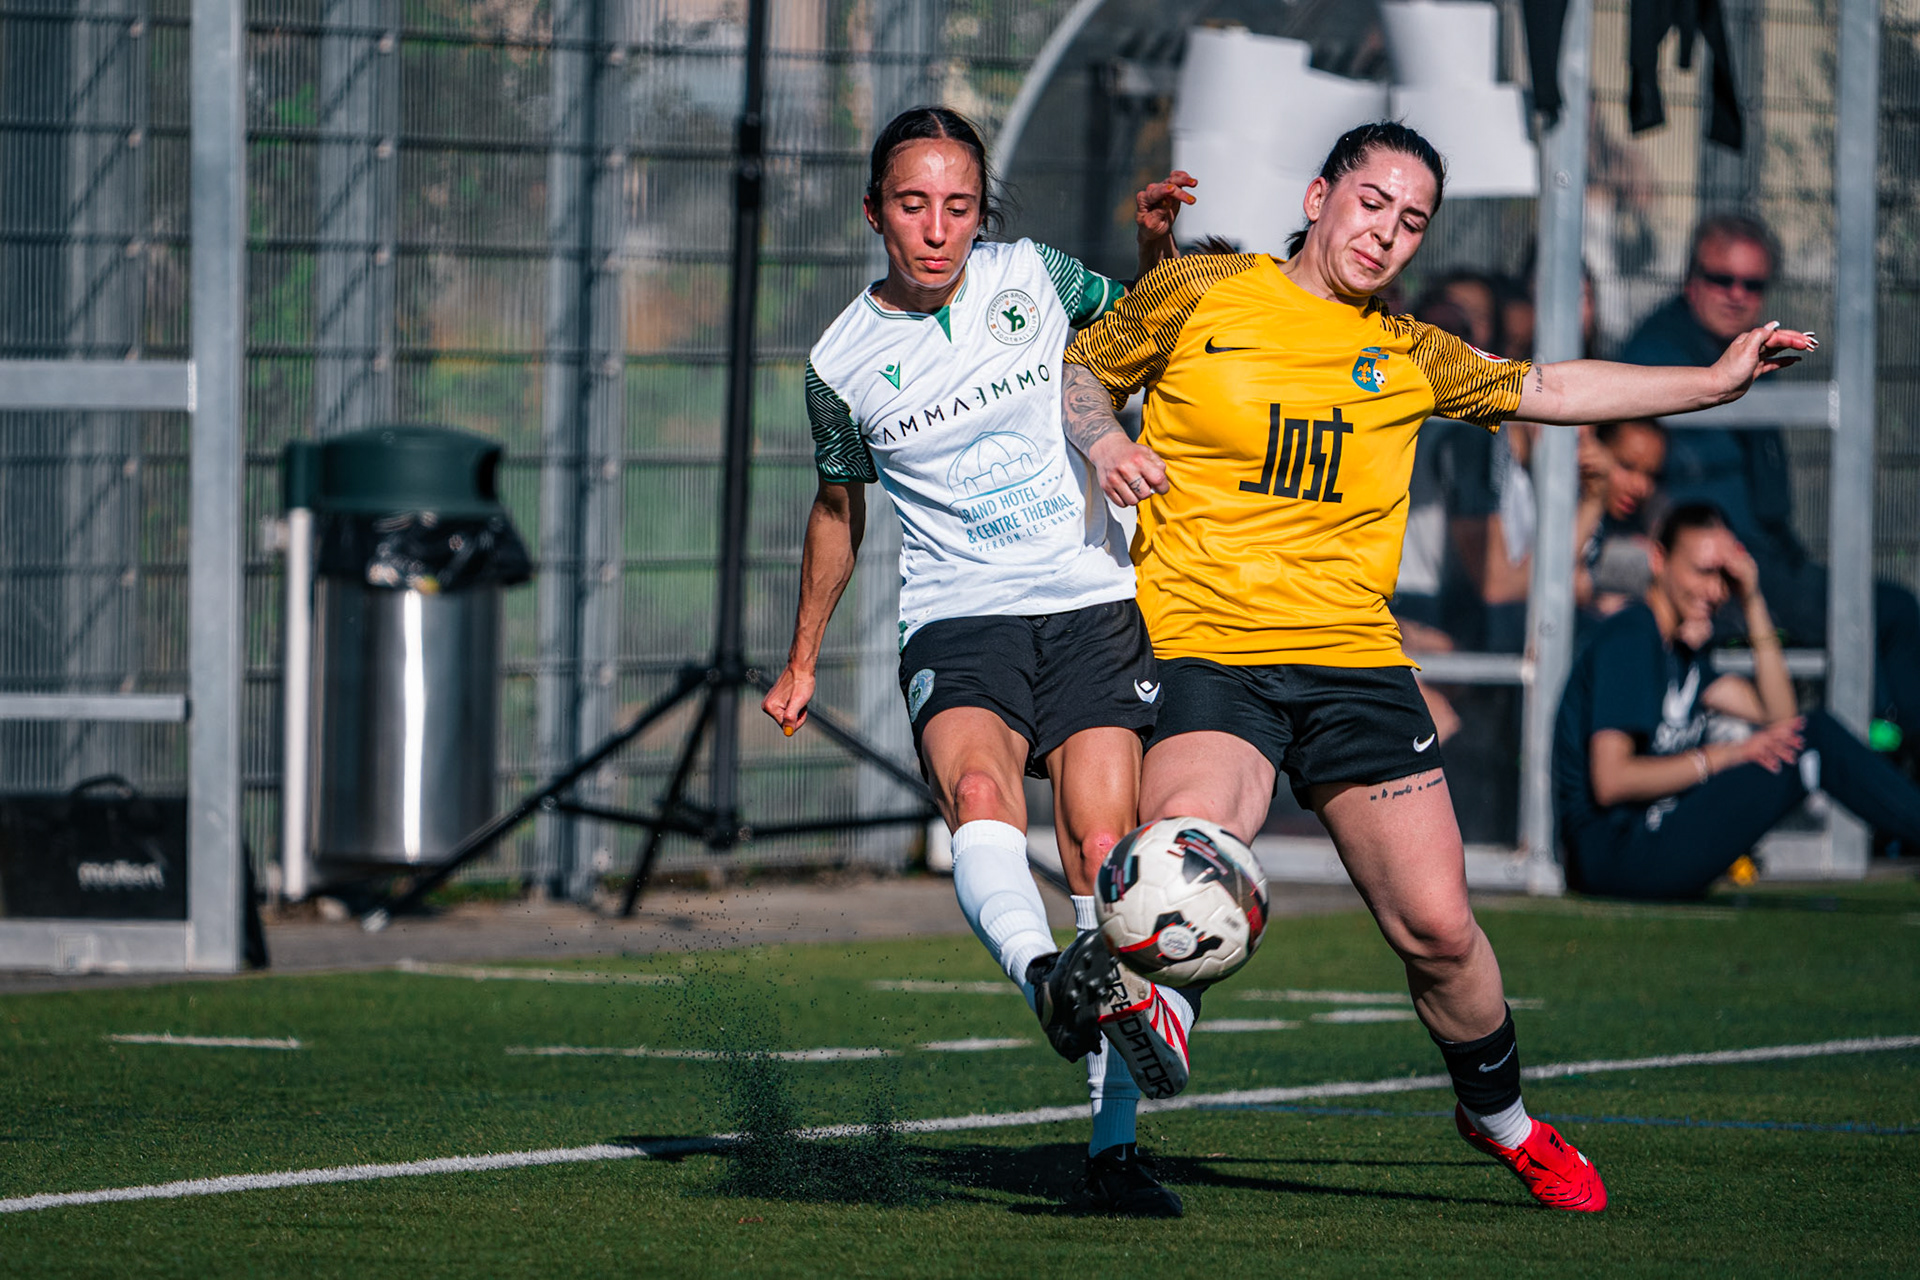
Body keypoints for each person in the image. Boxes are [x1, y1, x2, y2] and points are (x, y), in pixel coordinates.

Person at [1057, 120, 1814, 1213]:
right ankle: (1150, 1047)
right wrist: (1103, 440)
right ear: (1319, 198)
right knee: (1191, 840)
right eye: (1372, 203)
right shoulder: (1204, 289)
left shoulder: (1414, 353)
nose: (1387, 232)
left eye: (1412, 220)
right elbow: (1089, 364)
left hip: (1355, 666)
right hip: (1210, 648)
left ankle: (1500, 1119)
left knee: (1440, 930)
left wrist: (1708, 381)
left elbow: (1552, 387)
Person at [761, 106, 1196, 1216]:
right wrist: (802, 659)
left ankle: (1112, 1148)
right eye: (913, 205)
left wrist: (1153, 246)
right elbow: (837, 510)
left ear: (980, 213)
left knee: (1102, 851)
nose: (937, 228)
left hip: (1090, 599)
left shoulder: (1035, 274)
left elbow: (1146, 331)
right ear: (874, 213)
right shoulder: (840, 363)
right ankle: (1047, 979)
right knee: (977, 795)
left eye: (958, 206)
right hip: (960, 617)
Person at [1620, 213, 1920, 732]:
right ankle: (1880, 747)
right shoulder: (1658, 355)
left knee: (1886, 612)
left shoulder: (1750, 350)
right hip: (1724, 572)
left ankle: (1880, 737)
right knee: (1885, 613)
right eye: (1722, 278)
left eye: (1753, 284)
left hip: (1771, 562)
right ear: (1691, 279)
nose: (1737, 294)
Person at [1554, 503, 1920, 899]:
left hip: (1655, 836)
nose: (1714, 591)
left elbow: (1781, 718)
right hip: (1617, 853)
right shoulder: (1631, 638)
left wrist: (1752, 600)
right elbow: (1612, 781)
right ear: (1659, 560)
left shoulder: (1680, 653)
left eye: (1725, 577)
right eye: (1703, 571)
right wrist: (1725, 756)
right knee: (1816, 739)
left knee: (1808, 738)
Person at [1576, 418, 1665, 619]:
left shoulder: (1642, 519)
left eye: (1652, 475)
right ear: (1592, 449)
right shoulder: (1556, 504)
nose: (1641, 487)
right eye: (1626, 466)